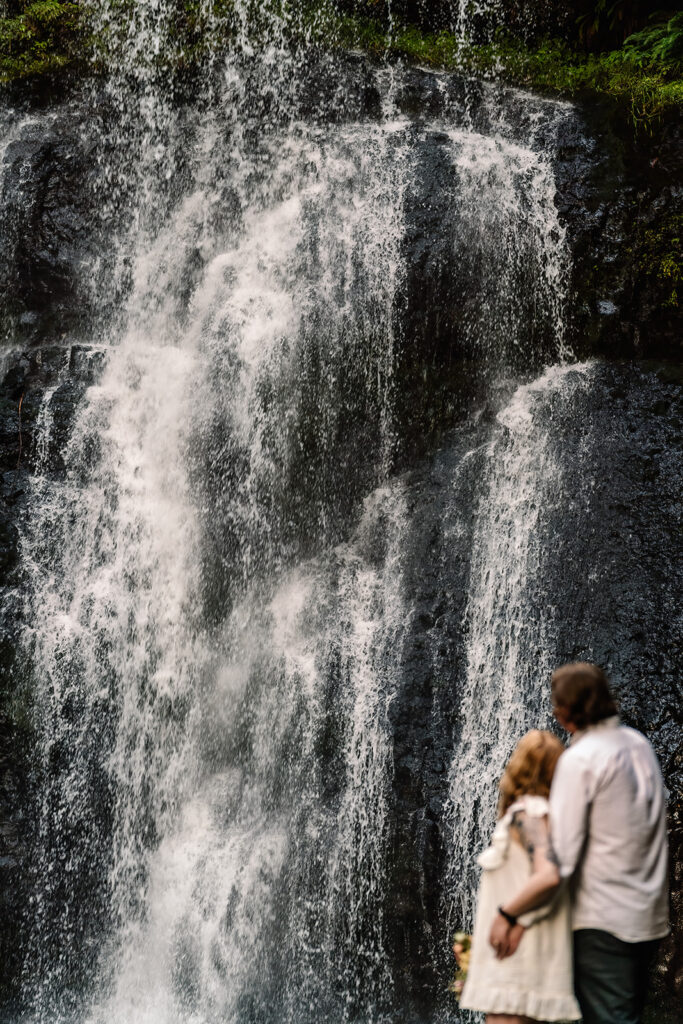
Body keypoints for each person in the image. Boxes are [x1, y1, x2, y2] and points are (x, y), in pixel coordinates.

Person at [492, 663, 669, 1024]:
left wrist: (515, 916)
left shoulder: (581, 760)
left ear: (566, 713)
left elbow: (560, 860)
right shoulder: (638, 744)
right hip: (648, 915)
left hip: (603, 920)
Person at [459, 730, 582, 1023]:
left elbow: (550, 875)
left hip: (516, 963)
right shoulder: (552, 819)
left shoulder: (527, 815)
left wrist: (507, 917)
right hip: (533, 956)